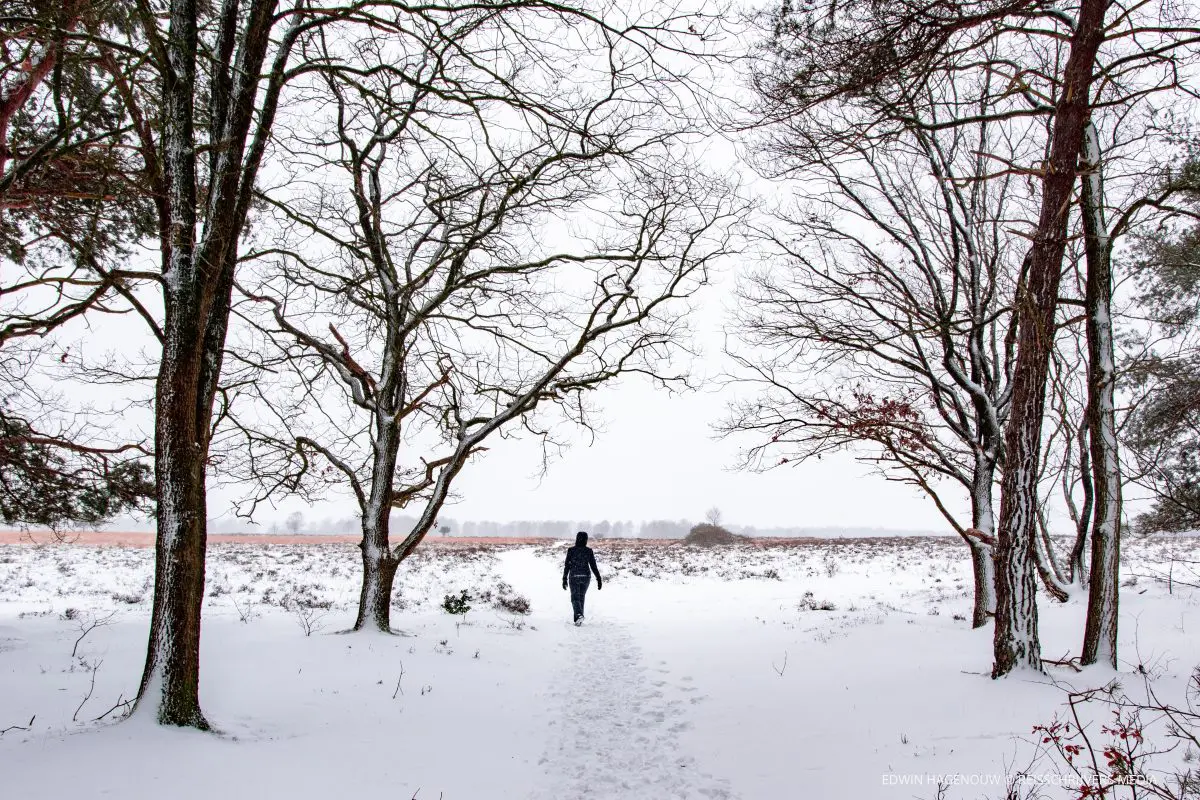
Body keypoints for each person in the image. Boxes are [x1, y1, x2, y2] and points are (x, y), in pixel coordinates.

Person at [562, 530, 602, 625]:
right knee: (581, 597)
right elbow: (593, 566)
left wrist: (564, 578)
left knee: (575, 598)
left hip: (574, 576)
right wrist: (598, 578)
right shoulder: (588, 551)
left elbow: (567, 565)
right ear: (586, 540)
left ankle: (579, 615)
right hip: (585, 576)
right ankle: (578, 620)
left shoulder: (571, 550)